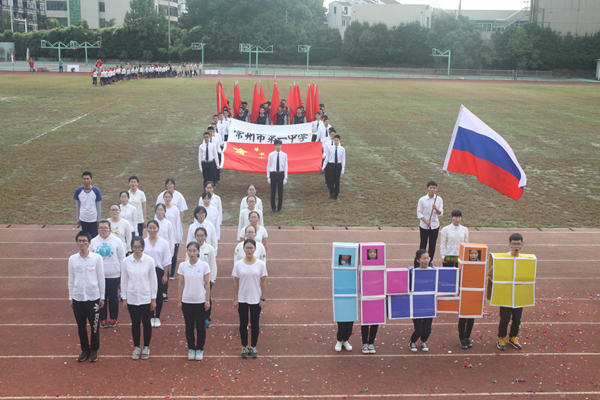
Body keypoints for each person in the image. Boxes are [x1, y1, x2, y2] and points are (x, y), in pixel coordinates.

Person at [68, 231, 105, 362]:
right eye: (79, 241)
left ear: (89, 243)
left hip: (93, 297)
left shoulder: (97, 258)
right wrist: (71, 297)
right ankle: (85, 349)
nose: (82, 243)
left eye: (84, 241)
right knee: (81, 326)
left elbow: (101, 278)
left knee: (94, 326)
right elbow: (71, 279)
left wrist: (102, 296)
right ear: (76, 242)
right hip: (78, 298)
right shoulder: (72, 259)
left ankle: (94, 350)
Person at [121, 236, 157, 360]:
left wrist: (153, 298)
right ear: (131, 247)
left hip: (145, 297)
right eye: (135, 247)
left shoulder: (149, 261)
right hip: (132, 297)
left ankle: (146, 346)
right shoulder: (126, 261)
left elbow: (153, 280)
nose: (137, 249)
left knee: (146, 323)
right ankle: (137, 347)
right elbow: (124, 280)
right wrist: (124, 298)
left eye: (139, 247)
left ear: (143, 247)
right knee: (135, 323)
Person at [232, 238, 268, 359]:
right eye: (247, 248)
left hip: (255, 298)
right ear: (243, 249)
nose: (249, 250)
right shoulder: (238, 265)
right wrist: (235, 298)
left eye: (251, 248)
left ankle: (253, 346)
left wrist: (262, 299)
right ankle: (244, 346)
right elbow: (235, 283)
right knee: (243, 323)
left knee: (255, 323)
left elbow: (263, 282)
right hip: (242, 298)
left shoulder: (261, 264)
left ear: (255, 249)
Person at [178, 241, 211, 361]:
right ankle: (191, 348)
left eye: (194, 251)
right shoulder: (182, 266)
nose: (192, 253)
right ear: (187, 252)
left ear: (198, 252)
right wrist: (179, 300)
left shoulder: (204, 266)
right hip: (187, 301)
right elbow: (181, 283)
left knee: (201, 327)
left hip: (200, 301)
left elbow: (207, 284)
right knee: (189, 326)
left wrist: (207, 300)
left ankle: (200, 348)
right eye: (190, 251)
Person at [493, 233, 525, 351]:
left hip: (518, 294)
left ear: (522, 245)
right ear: (509, 245)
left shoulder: (525, 260)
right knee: (505, 319)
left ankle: (513, 337)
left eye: (518, 244)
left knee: (517, 319)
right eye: (514, 244)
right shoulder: (503, 258)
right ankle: (501, 337)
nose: (516, 246)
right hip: (506, 294)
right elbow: (491, 273)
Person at [91, 220, 125, 328]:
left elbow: (121, 258)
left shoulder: (117, 241)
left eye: (105, 228)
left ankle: (114, 317)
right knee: (101, 297)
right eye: (101, 228)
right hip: (98, 276)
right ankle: (103, 318)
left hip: (113, 274)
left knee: (113, 297)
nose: (103, 230)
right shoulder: (93, 242)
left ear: (109, 228)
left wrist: (121, 272)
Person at [144, 220, 171, 327]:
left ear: (158, 229)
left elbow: (167, 260)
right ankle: (150, 315)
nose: (152, 230)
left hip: (159, 271)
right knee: (149, 293)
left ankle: (157, 316)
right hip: (146, 271)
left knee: (158, 294)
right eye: (149, 228)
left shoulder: (163, 243)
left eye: (154, 228)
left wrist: (165, 275)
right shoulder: (143, 242)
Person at [408, 249, 434, 352]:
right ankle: (412, 342)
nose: (427, 260)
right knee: (419, 329)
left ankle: (423, 341)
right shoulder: (413, 272)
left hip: (429, 304)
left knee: (427, 330)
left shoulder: (433, 272)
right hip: (417, 305)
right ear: (418, 260)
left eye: (428, 258)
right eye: (424, 259)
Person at [157, 191, 182, 299]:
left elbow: (171, 238)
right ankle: (156, 292)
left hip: (165, 250)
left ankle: (164, 292)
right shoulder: (154, 223)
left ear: (164, 211)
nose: (159, 212)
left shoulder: (168, 223)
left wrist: (171, 251)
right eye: (158, 210)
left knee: (164, 272)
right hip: (156, 250)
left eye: (161, 210)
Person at [192, 227, 217, 327]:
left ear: (205, 236)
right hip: (194, 277)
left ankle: (206, 317)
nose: (200, 238)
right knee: (195, 297)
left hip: (206, 278)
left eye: (202, 235)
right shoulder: (192, 248)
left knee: (207, 297)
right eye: (198, 236)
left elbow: (212, 264)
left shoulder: (209, 249)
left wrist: (213, 278)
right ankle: (194, 318)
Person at [417, 181, 443, 265]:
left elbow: (440, 213)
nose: (432, 189)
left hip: (435, 226)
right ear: (427, 188)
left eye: (434, 188)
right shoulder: (422, 200)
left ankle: (429, 261)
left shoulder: (438, 199)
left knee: (432, 244)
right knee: (423, 243)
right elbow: (419, 213)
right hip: (424, 226)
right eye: (431, 188)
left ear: (436, 189)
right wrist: (425, 221)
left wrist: (436, 208)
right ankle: (420, 261)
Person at [74, 171, 102, 238]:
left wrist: (99, 219)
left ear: (91, 180)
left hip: (93, 218)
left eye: (87, 179)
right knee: (85, 236)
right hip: (83, 218)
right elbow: (78, 205)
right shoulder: (78, 191)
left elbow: (98, 205)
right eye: (84, 179)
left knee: (94, 236)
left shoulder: (96, 190)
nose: (86, 180)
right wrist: (78, 218)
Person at [267, 139, 288, 214]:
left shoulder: (284, 155)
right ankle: (273, 208)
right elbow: (268, 165)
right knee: (273, 192)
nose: (278, 147)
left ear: (281, 146)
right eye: (276, 145)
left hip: (280, 174)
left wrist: (285, 177)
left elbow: (286, 166)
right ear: (274, 146)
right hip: (273, 174)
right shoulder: (271, 155)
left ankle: (279, 208)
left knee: (280, 192)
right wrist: (268, 177)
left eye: (279, 145)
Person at [322, 134, 345, 201]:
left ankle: (336, 194)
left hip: (338, 165)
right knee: (331, 180)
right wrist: (323, 167)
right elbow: (327, 158)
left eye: (337, 140)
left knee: (337, 181)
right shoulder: (330, 148)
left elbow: (343, 159)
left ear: (339, 141)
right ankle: (331, 194)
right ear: (333, 140)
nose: (336, 141)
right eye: (335, 140)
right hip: (331, 165)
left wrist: (343, 169)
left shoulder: (342, 149)